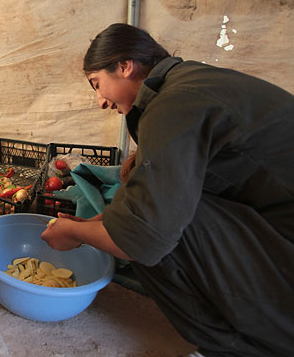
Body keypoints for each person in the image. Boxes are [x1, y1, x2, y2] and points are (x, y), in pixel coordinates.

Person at [41, 23, 294, 356]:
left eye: (97, 84)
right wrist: (95, 223)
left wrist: (76, 232)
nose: (100, 101)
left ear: (124, 66)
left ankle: (233, 349)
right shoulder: (191, 81)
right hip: (273, 225)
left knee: (159, 232)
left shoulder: (175, 103)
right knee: (145, 201)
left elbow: (141, 236)